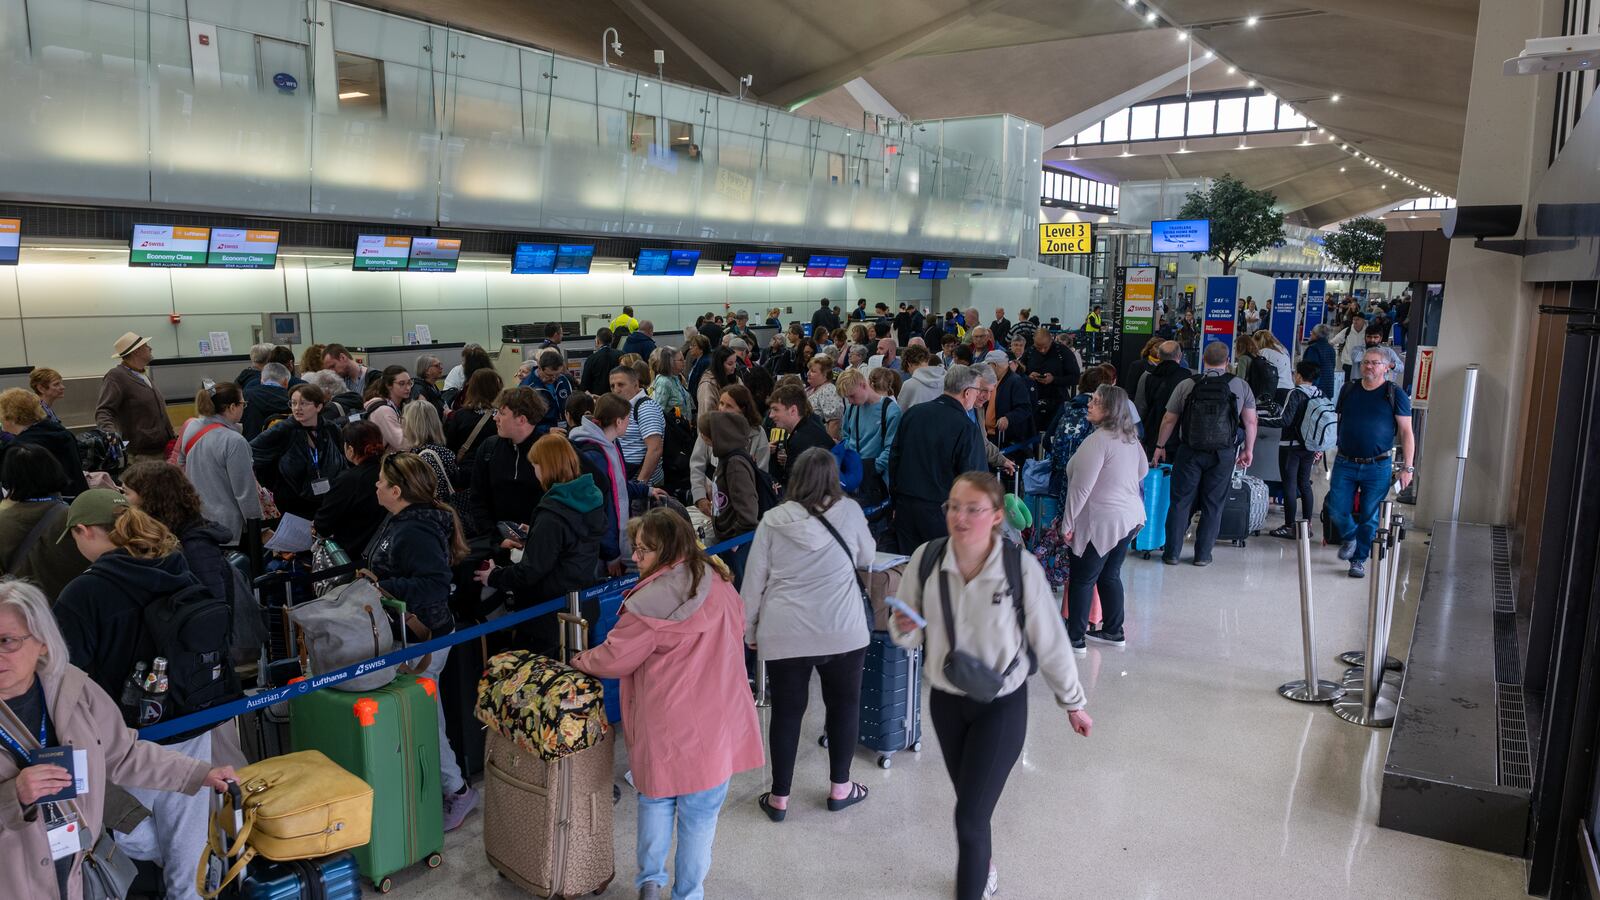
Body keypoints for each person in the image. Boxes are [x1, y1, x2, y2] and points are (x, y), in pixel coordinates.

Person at [889, 473, 1091, 900]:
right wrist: (903, 626)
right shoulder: (927, 560)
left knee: (968, 817)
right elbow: (905, 633)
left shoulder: (1019, 569)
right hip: (946, 701)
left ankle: (973, 885)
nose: (959, 517)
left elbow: (1051, 641)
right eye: (953, 506)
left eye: (973, 508)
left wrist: (1073, 703)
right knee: (972, 803)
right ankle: (986, 864)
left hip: (1002, 705)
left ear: (997, 516)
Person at [0, 578, 237, 900]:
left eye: (7, 641)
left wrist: (198, 773)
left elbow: (123, 753)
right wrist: (12, 797)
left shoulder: (71, 688)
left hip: (76, 871)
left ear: (42, 641)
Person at [53, 491, 239, 900]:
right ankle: (193, 883)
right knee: (186, 828)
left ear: (84, 531)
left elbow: (64, 675)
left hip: (125, 738)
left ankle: (181, 865)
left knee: (115, 820)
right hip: (190, 718)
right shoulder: (175, 565)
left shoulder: (83, 595)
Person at [569, 509, 760, 900]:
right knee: (700, 818)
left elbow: (614, 658)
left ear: (666, 549)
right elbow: (739, 628)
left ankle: (650, 884)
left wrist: (579, 661)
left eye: (643, 551)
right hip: (719, 722)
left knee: (655, 802)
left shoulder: (649, 602)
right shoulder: (719, 581)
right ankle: (688, 893)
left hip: (667, 725)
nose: (634, 558)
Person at [741, 449, 873, 821]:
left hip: (785, 631)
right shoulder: (849, 511)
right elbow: (868, 556)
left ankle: (780, 798)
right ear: (833, 478)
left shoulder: (772, 520)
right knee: (845, 705)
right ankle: (840, 789)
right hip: (843, 628)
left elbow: (753, 584)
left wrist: (750, 631)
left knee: (786, 712)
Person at [364, 452, 477, 831]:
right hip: (415, 637)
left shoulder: (414, 529)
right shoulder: (404, 520)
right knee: (427, 716)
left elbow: (432, 584)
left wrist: (381, 588)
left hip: (423, 641)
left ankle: (456, 790)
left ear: (397, 490)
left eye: (381, 481)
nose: (376, 485)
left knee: (426, 719)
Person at [474, 435, 605, 648]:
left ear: (546, 466)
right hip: (583, 607)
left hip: (549, 618)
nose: (534, 472)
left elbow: (530, 571)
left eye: (535, 465)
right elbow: (570, 542)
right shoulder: (590, 497)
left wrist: (494, 576)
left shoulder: (552, 515)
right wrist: (536, 533)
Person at [1151, 341, 1259, 566]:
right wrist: (1248, 450)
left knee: (1180, 502)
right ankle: (1202, 555)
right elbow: (1250, 421)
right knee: (1213, 504)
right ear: (1227, 361)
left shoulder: (1187, 384)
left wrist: (1159, 446)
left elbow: (1169, 418)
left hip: (1189, 451)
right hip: (1223, 453)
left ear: (1203, 360)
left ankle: (1171, 553)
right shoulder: (1240, 385)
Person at [1058, 384, 1148, 652]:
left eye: (1096, 401)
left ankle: (1075, 638)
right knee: (1110, 574)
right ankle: (1113, 630)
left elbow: (1081, 487)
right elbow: (1142, 471)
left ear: (1109, 409)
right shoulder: (1130, 438)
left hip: (1102, 520)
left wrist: (1068, 523)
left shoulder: (1096, 441)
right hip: (1129, 518)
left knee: (1083, 578)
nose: (1089, 404)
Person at [1328, 347, 1416, 578]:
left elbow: (1407, 432)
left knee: (1369, 516)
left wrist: (1408, 468)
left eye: (1375, 363)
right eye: (1366, 362)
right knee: (1336, 508)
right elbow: (1338, 421)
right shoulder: (1348, 389)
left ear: (1387, 367)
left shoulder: (1395, 394)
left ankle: (1358, 560)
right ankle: (1349, 538)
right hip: (1345, 462)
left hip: (1378, 466)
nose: (1368, 366)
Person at [888, 366, 988, 551]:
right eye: (977, 391)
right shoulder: (966, 427)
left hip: (906, 506)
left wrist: (895, 502)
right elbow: (973, 478)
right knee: (940, 571)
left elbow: (894, 459)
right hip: (942, 513)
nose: (977, 396)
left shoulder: (913, 413)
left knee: (910, 570)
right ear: (967, 392)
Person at [119, 461, 237, 616]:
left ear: (149, 497)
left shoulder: (196, 545)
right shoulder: (163, 533)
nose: (121, 498)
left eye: (126, 493)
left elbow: (213, 607)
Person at [570, 393, 656, 573]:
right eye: (627, 419)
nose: (629, 424)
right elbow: (601, 508)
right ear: (618, 421)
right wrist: (611, 554)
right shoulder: (595, 455)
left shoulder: (611, 444)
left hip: (612, 543)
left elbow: (619, 486)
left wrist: (646, 491)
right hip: (603, 551)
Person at [176, 382, 262, 544]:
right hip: (228, 527)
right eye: (243, 403)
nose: (244, 407)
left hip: (198, 520)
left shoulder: (191, 428)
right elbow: (244, 492)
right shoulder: (234, 441)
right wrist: (258, 528)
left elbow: (180, 465)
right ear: (232, 407)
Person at [0, 446, 89, 600]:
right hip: (78, 606)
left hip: (29, 611)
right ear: (54, 469)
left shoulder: (4, 522)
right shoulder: (80, 516)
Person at [249, 383, 347, 520]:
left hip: (328, 501)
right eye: (293, 403)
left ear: (318, 406)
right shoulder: (282, 430)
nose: (297, 408)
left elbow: (344, 459)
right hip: (292, 505)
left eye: (303, 404)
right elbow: (250, 452)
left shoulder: (331, 429)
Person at [468, 388, 547, 535]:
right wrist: (495, 538)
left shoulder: (551, 451)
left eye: (502, 413)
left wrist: (540, 533)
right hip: (497, 544)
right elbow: (477, 499)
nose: (495, 418)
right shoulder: (488, 449)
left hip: (539, 542)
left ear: (521, 419)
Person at [1267, 360, 1326, 540]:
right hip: (1310, 446)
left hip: (1290, 446)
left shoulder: (1295, 393)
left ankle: (1289, 525)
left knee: (1289, 485)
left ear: (1299, 375)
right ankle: (1306, 525)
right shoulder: (1319, 393)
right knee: (1304, 483)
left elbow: (1284, 420)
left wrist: (1258, 420)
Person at [96, 332, 175, 464]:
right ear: (136, 351)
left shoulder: (142, 374)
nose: (150, 349)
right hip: (141, 455)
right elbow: (103, 411)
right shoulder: (116, 376)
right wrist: (112, 436)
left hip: (160, 450)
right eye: (146, 346)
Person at [690, 386, 768, 520]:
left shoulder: (758, 433)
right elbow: (697, 465)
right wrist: (700, 497)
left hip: (743, 505)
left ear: (743, 409)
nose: (722, 409)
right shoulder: (710, 426)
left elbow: (761, 472)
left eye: (729, 406)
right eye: (721, 403)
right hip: (711, 500)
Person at [313, 421, 386, 556]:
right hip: (386, 548)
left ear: (350, 449)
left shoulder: (348, 480)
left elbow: (323, 524)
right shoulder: (391, 471)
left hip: (353, 554)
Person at [0, 390, 87, 498]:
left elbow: (11, 486)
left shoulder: (18, 448)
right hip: (76, 499)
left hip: (41, 507)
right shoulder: (61, 432)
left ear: (10, 417)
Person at [837, 370, 899, 508]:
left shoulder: (890, 410)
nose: (850, 401)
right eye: (848, 398)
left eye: (852, 396)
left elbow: (891, 449)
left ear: (863, 385)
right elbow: (847, 436)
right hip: (853, 477)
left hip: (877, 480)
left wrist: (872, 469)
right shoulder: (852, 408)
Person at [766, 384, 831, 486]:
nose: (771, 415)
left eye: (776, 409)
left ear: (793, 410)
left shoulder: (802, 441)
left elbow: (798, 487)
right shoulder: (810, 426)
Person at [611, 366, 666, 486]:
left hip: (645, 485)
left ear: (636, 385)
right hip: (627, 479)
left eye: (621, 384)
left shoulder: (646, 408)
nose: (616, 390)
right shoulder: (623, 408)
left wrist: (640, 485)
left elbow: (655, 449)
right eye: (612, 386)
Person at [1134, 341, 1189, 456]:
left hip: (1151, 435)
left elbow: (1140, 408)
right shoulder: (1188, 378)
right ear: (1180, 356)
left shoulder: (1147, 376)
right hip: (1178, 437)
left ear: (1158, 356)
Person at [403, 401, 460, 500]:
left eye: (404, 420)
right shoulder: (437, 451)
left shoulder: (426, 458)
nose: (402, 424)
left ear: (412, 425)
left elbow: (435, 497)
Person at [444, 368, 503, 460]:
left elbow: (450, 446)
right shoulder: (502, 416)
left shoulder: (460, 416)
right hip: (495, 465)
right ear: (497, 389)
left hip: (467, 467)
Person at [982, 350, 1033, 448]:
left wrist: (1008, 418)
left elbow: (1025, 408)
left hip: (1007, 439)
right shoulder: (994, 381)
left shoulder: (1015, 381)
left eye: (988, 366)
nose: (986, 370)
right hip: (991, 436)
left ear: (995, 365)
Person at [522, 350, 574, 437]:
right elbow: (522, 421)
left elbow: (571, 405)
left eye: (557, 374)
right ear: (539, 368)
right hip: (542, 437)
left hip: (564, 432)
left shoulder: (563, 380)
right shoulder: (527, 387)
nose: (553, 379)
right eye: (549, 375)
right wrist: (546, 430)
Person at [363, 365, 413, 451]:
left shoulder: (400, 405)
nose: (408, 388)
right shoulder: (383, 411)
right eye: (402, 384)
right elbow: (401, 444)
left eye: (409, 383)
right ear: (388, 385)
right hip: (384, 461)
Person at [241, 361, 291, 440]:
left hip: (252, 446)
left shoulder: (245, 396)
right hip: (284, 448)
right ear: (286, 382)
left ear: (261, 380)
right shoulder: (293, 401)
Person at [803, 356, 844, 437]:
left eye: (813, 371)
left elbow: (834, 422)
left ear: (825, 374)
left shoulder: (829, 390)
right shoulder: (811, 389)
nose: (808, 373)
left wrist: (828, 446)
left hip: (821, 443)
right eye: (809, 370)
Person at [649, 346, 692, 423]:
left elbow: (677, 406)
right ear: (670, 362)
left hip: (682, 426)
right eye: (680, 360)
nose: (684, 362)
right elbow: (659, 411)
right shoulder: (664, 382)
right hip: (673, 429)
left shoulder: (675, 378)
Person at [696, 348, 740, 418]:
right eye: (730, 364)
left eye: (735, 362)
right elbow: (706, 414)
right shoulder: (707, 385)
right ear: (719, 365)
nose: (734, 366)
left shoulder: (735, 378)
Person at [1251, 330, 1294, 398]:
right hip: (1290, 389)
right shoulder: (1284, 351)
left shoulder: (1263, 352)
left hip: (1275, 390)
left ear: (1258, 341)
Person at [1302, 324, 1339, 398]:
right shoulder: (1331, 349)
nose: (1310, 334)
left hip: (1316, 390)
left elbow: (1310, 371)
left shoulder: (1313, 349)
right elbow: (1333, 366)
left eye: (1312, 332)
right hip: (1328, 388)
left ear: (1316, 335)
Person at [581, 328, 622, 395]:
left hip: (599, 400)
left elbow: (584, 386)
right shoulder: (621, 355)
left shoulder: (591, 359)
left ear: (597, 341)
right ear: (612, 340)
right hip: (618, 397)